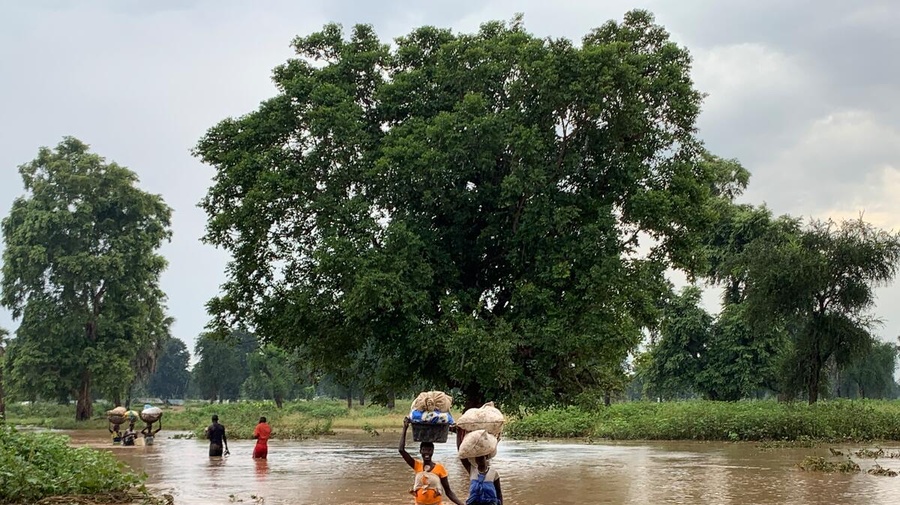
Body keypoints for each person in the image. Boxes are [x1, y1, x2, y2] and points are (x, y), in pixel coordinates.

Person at [399, 417, 463, 505]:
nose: (427, 453)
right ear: (420, 451)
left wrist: (461, 504)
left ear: (433, 451)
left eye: (429, 450)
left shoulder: (440, 469)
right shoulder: (416, 465)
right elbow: (401, 450)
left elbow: (448, 492)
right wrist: (405, 428)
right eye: (424, 450)